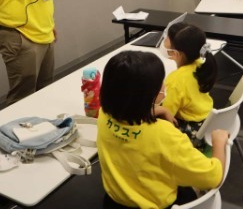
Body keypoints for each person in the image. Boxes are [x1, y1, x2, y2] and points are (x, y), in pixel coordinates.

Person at [98, 51, 229, 209]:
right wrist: (218, 141)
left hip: (114, 202)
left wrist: (156, 110)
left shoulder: (104, 115)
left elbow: (127, 107)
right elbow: (214, 177)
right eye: (160, 81)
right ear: (147, 95)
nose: (164, 85)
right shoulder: (165, 135)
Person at [157, 23, 217, 150]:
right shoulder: (202, 64)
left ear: (176, 53)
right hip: (208, 122)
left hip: (192, 133)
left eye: (167, 38)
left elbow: (167, 114)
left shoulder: (175, 80)